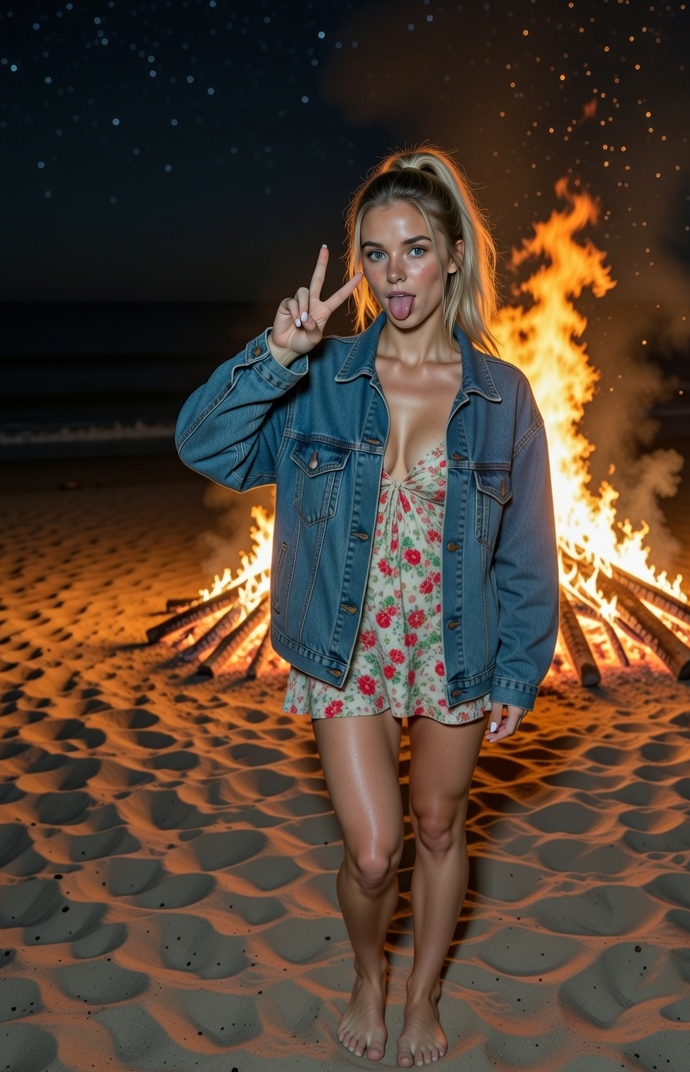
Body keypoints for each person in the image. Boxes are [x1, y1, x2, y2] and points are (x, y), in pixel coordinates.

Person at [176, 148, 558, 1066]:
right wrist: (277, 353)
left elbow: (526, 549)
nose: (395, 275)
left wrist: (520, 665)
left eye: (415, 251)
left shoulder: (502, 396)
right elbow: (204, 446)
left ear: (456, 255)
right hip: (345, 643)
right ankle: (367, 973)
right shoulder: (323, 378)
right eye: (375, 254)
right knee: (377, 851)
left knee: (438, 826)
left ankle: (423, 993)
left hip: (456, 641)